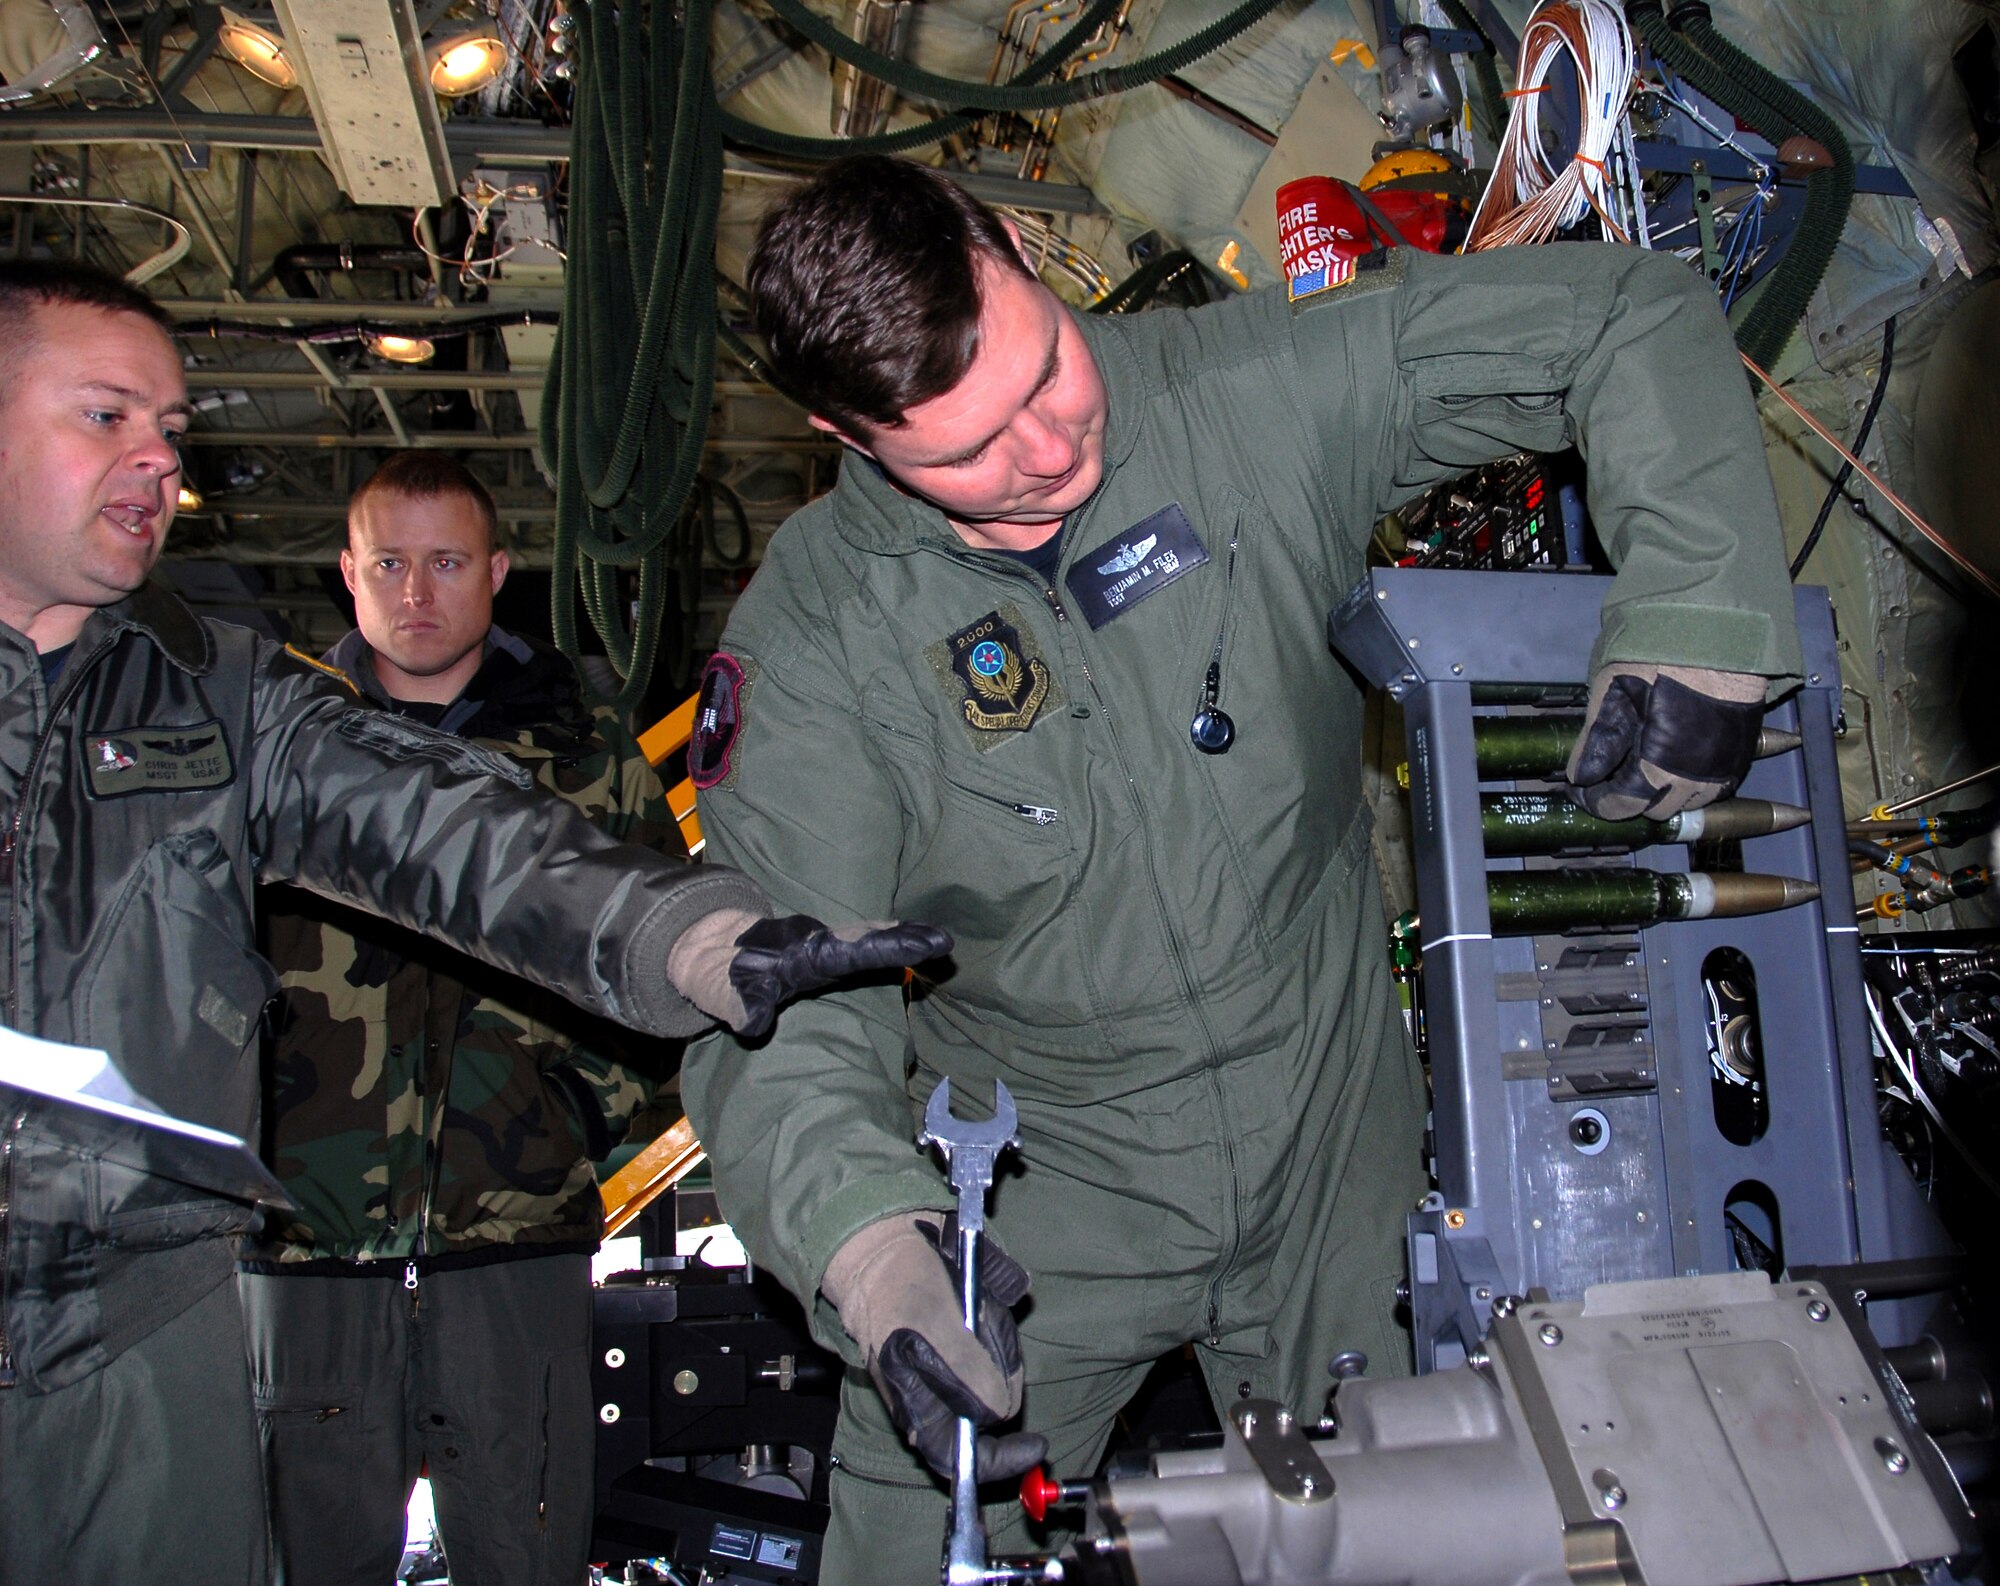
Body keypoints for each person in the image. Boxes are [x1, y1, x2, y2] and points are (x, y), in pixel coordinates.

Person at [678, 155, 1805, 1584]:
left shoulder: (1251, 392)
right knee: (915, 1535)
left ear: (1020, 246)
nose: (1042, 449)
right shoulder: (820, 646)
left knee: (1441, 1544)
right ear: (844, 433)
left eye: (1046, 372)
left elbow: (1624, 314)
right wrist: (876, 1254)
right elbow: (792, 1007)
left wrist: (1697, 608)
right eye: (967, 449)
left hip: (1331, 1117)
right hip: (1049, 1182)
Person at [0, 258, 949, 1586]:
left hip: (162, 1314)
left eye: (170, 426)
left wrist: (691, 936)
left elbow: (452, 830)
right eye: (106, 415)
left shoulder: (214, 694)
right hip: (301, 1244)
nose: (157, 456)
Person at [236, 451, 678, 1586]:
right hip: (307, 1242)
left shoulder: (586, 766)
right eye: (390, 562)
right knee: (303, 1558)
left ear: (495, 570)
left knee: (526, 1549)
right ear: (347, 572)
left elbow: (664, 979)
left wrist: (562, 1122)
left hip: (514, 1242)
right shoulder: (273, 760)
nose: (417, 592)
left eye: (444, 562)